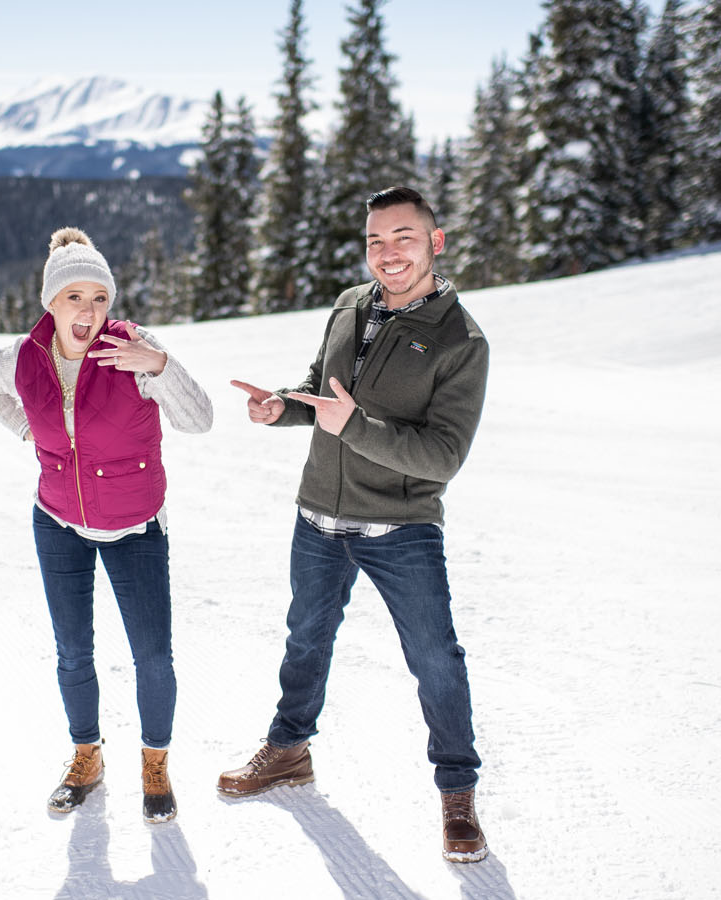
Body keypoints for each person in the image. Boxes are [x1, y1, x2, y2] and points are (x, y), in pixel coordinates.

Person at [219, 187, 491, 863]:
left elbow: (441, 456)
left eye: (403, 237)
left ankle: (457, 794)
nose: (387, 253)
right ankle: (287, 751)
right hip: (318, 517)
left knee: (435, 661)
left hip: (400, 528)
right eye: (375, 241)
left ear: (437, 242)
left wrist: (353, 426)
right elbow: (322, 390)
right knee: (306, 637)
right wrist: (281, 408)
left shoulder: (461, 341)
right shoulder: (349, 305)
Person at [0, 227, 212, 824]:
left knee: (153, 656)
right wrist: (31, 431)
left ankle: (154, 764)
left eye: (99, 298)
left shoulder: (133, 349)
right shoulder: (24, 358)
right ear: (50, 302)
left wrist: (160, 365)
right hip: (58, 521)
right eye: (74, 297)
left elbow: (199, 420)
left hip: (135, 527)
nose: (89, 310)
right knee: (73, 651)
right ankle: (86, 757)